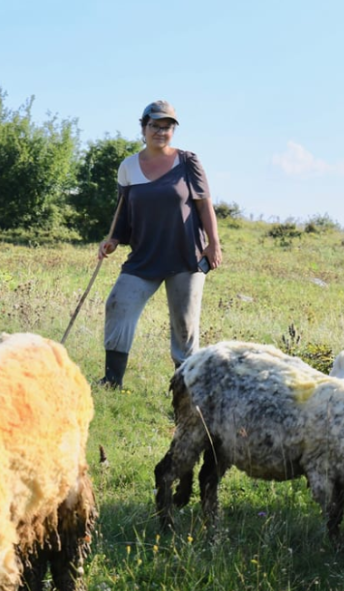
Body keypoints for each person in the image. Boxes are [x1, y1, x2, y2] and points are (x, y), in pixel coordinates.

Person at [96, 99, 221, 388]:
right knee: (118, 304)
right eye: (155, 126)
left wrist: (213, 243)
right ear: (143, 127)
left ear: (173, 131)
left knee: (185, 327)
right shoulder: (128, 167)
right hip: (143, 258)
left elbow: (204, 205)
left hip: (185, 256)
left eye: (167, 127)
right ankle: (112, 381)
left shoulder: (188, 162)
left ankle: (185, 391)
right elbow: (124, 210)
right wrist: (114, 239)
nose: (161, 132)